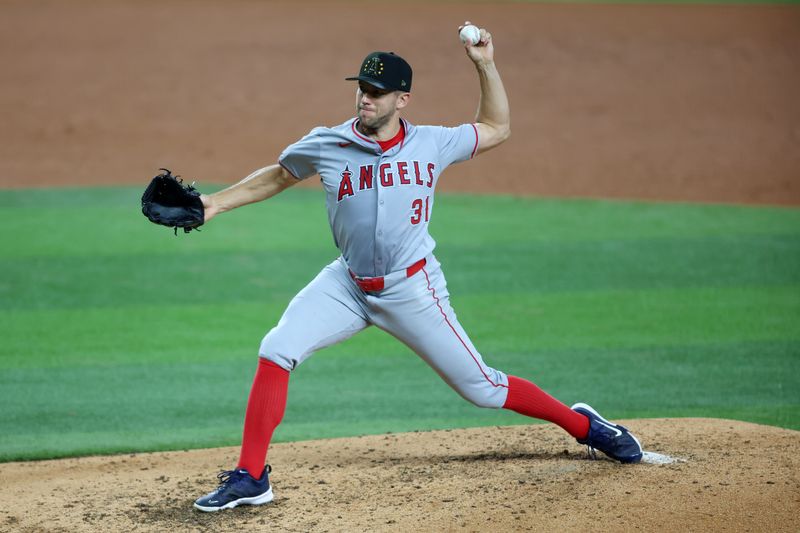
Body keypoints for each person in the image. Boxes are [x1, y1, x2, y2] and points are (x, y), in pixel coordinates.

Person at [192, 22, 642, 513]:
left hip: (413, 290)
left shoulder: (432, 142)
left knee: (484, 389)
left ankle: (585, 426)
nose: (366, 98)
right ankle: (251, 477)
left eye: (378, 92)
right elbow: (278, 175)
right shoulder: (327, 143)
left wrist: (485, 65)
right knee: (277, 348)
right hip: (346, 284)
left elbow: (497, 128)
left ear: (401, 99)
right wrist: (214, 203)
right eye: (362, 88)